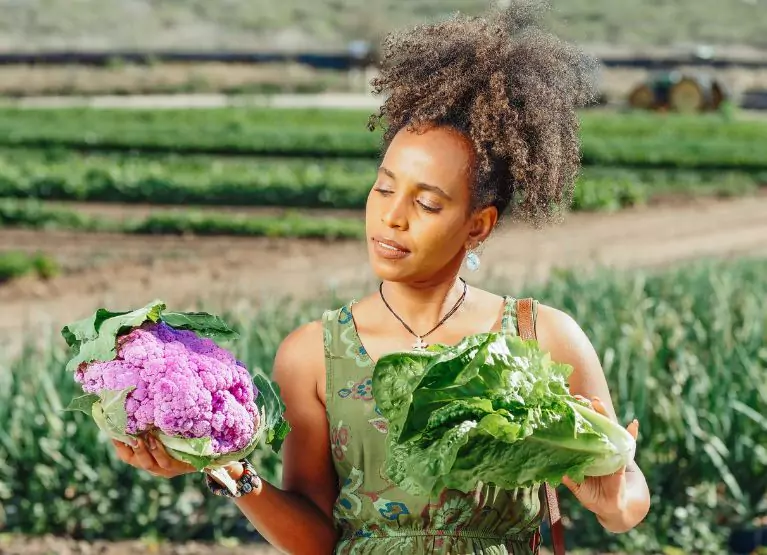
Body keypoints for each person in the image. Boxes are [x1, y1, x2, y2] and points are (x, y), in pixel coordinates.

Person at [111, 3, 651, 553]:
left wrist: (616, 503)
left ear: (478, 226)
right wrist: (226, 467)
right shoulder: (312, 355)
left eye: (429, 203)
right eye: (385, 187)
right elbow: (315, 540)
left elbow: (626, 488)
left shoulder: (543, 336)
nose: (393, 216)